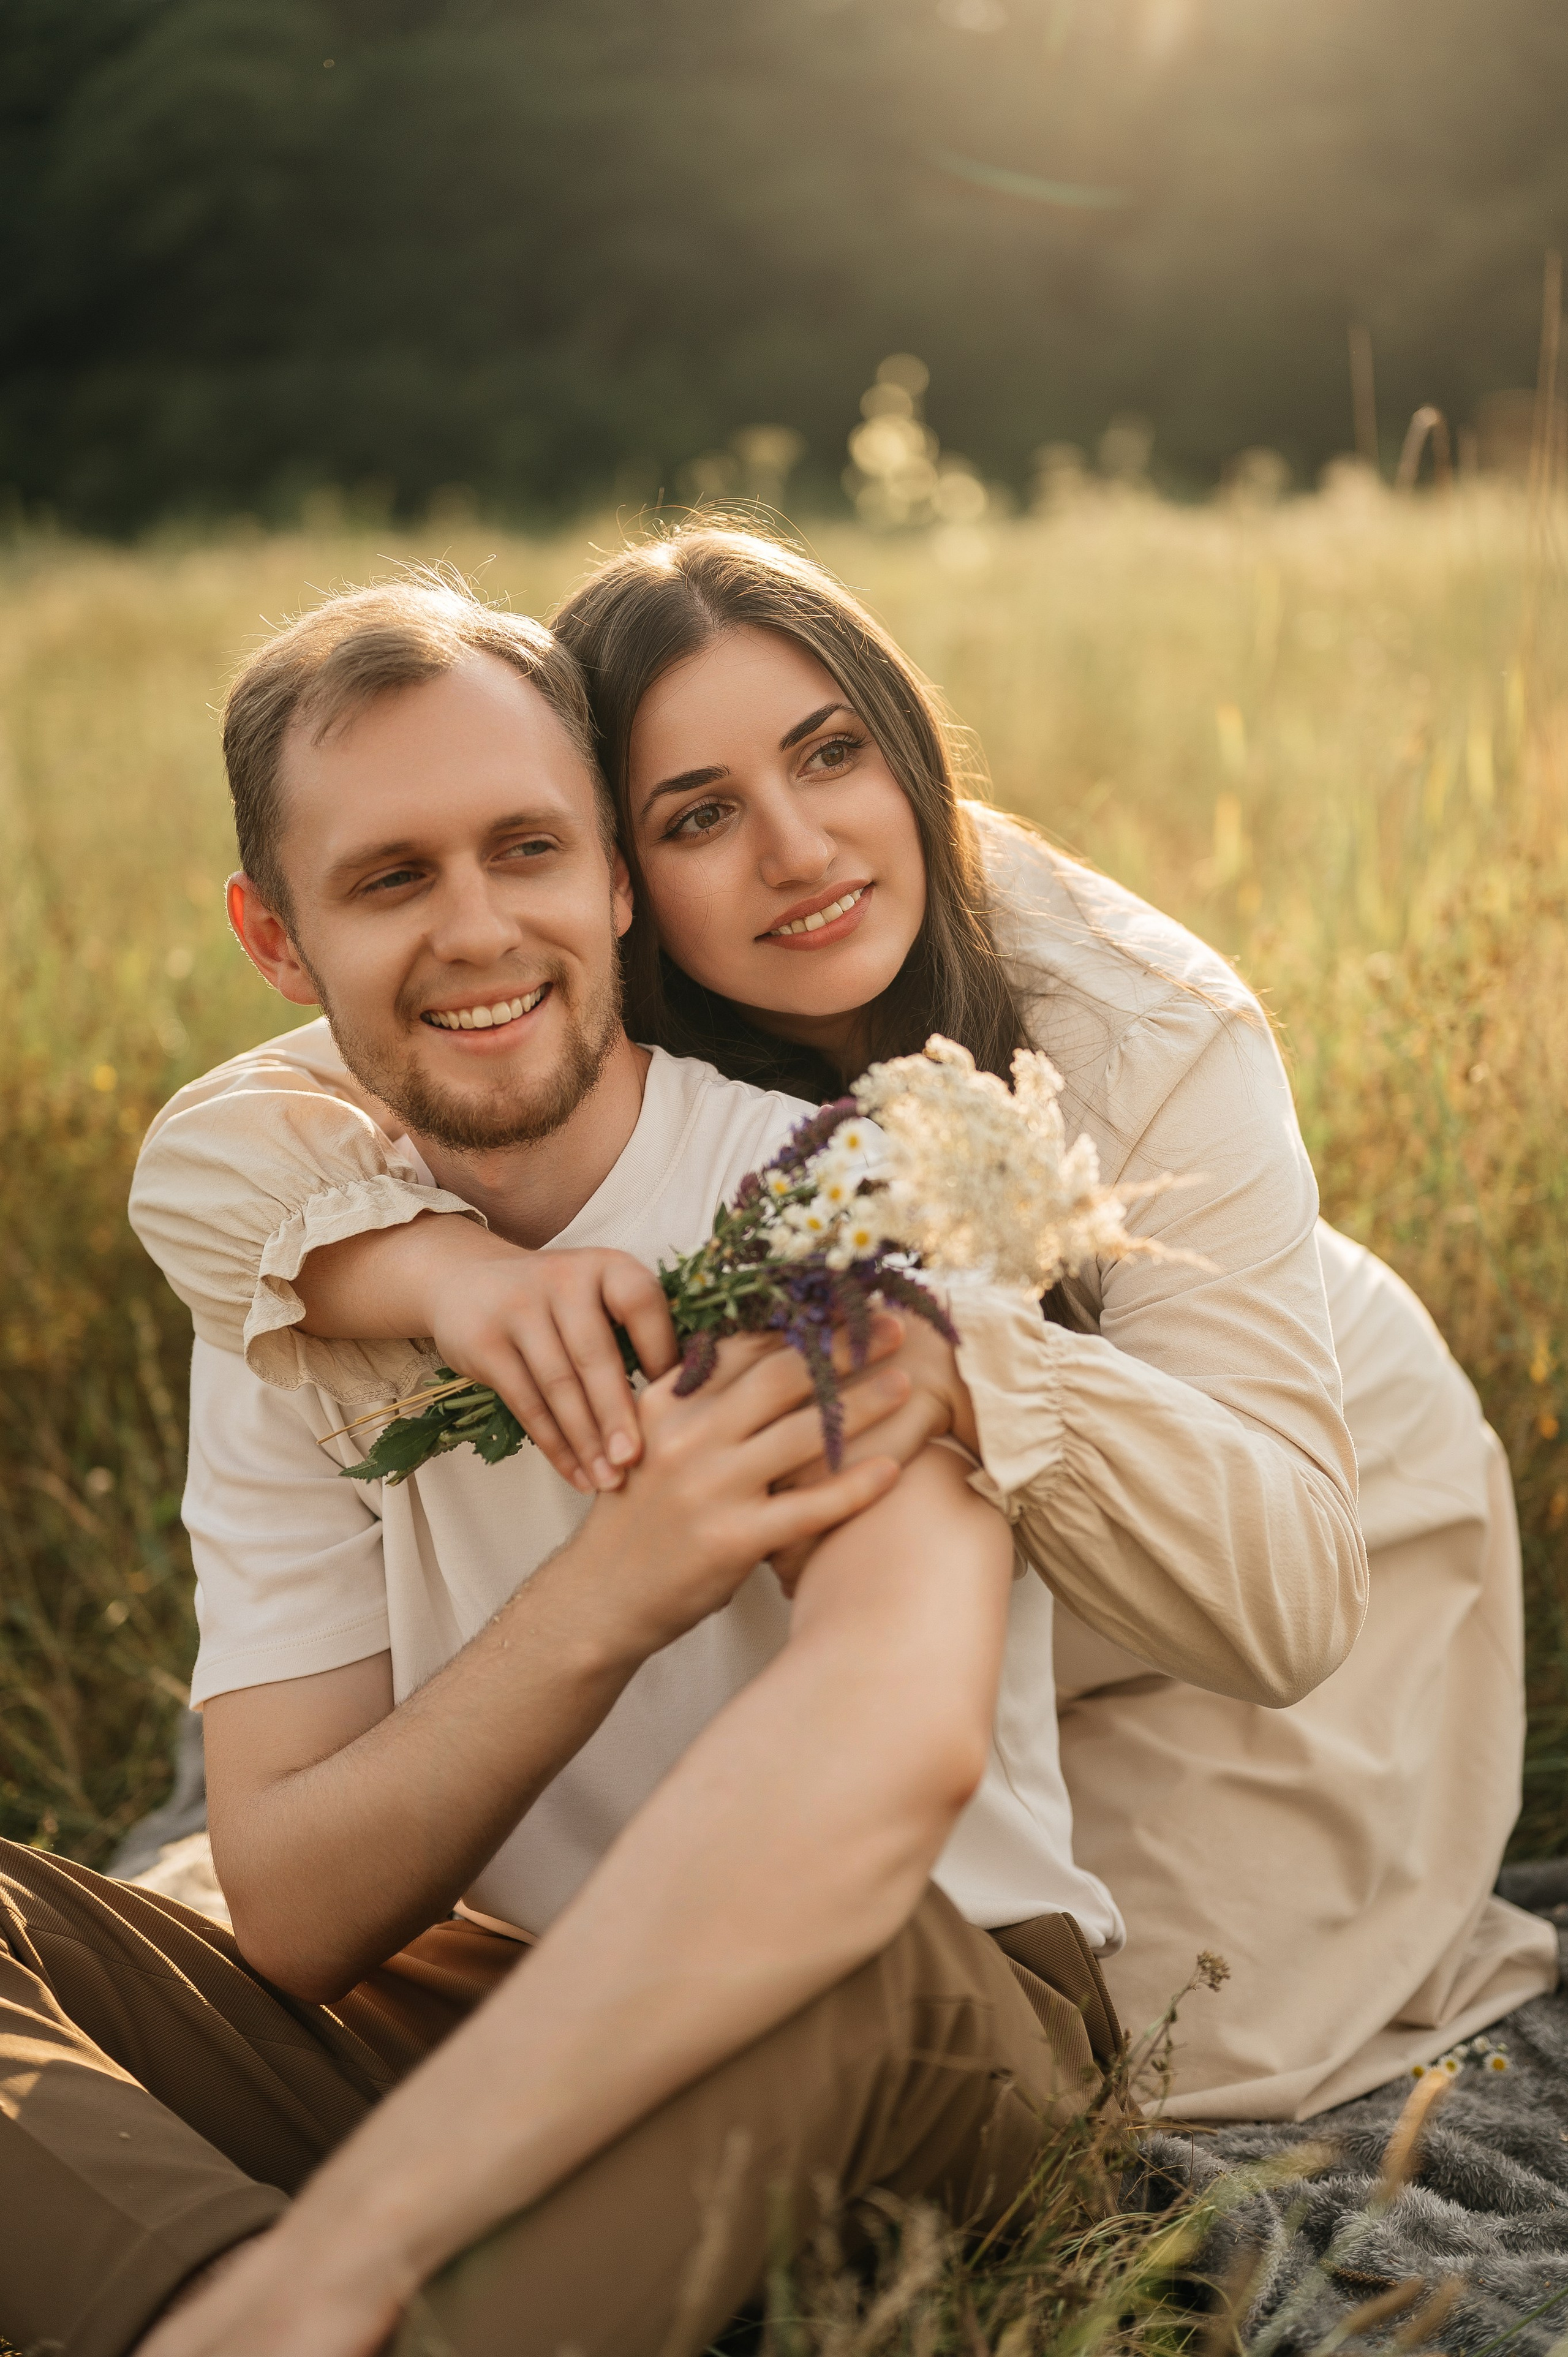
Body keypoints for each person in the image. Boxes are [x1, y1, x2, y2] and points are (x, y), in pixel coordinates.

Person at [130, 524, 1556, 2122]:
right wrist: (441, 1276)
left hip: (1250, 1519)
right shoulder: (534, 966)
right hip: (908, 1603)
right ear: (617, 863)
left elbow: (1285, 1607)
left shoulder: (1143, 1020)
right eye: (702, 814)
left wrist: (966, 1354)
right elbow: (213, 1146)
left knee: (1132, 2061)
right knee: (688, 1970)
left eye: (834, 754)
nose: (800, 850)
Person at [1, 580, 1168, 2357]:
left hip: (922, 2016)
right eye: (391, 880)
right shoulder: (300, 1280)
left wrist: (359, 2243)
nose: (475, 930)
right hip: (504, 2006)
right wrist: (606, 1598)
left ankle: (318, 2292)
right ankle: (211, 2307)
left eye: (527, 851)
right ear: (275, 939)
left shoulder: (840, 1211)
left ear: (616, 882)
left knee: (855, 1982)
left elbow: (883, 1758)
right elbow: (302, 1909)